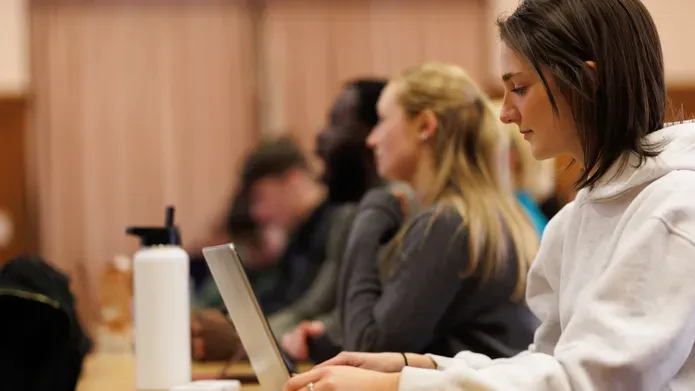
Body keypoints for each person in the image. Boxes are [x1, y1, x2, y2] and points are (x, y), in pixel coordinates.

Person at [283, 0, 695, 390]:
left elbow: (592, 382)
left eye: (519, 88)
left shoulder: (673, 208)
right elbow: (545, 362)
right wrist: (415, 364)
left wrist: (401, 384)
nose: (505, 113)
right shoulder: (575, 219)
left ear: (585, 81)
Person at [288, 60, 541, 369]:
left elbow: (372, 350)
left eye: (382, 121)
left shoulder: (447, 223)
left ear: (424, 125)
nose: (372, 139)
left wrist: (370, 218)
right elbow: (416, 333)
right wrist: (330, 339)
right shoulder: (478, 215)